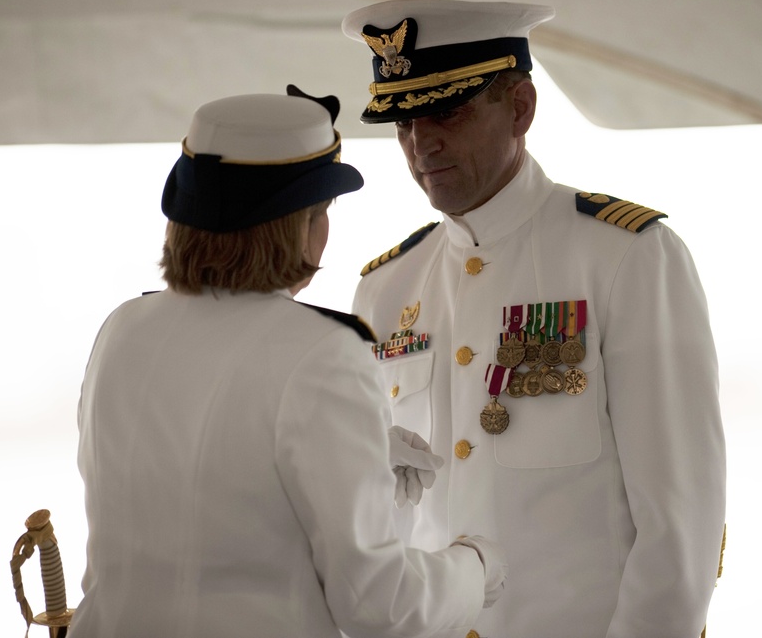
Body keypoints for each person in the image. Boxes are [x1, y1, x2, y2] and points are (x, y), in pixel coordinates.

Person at [343, 0, 726, 638]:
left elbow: (681, 519)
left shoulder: (626, 255)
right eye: (402, 122)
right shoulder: (385, 289)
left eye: (446, 110)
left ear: (520, 107)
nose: (420, 142)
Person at [71, 89, 507, 638]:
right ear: (298, 225)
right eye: (321, 212)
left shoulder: (122, 329)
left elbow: (194, 501)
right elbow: (382, 606)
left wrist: (364, 465)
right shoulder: (322, 352)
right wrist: (475, 566)